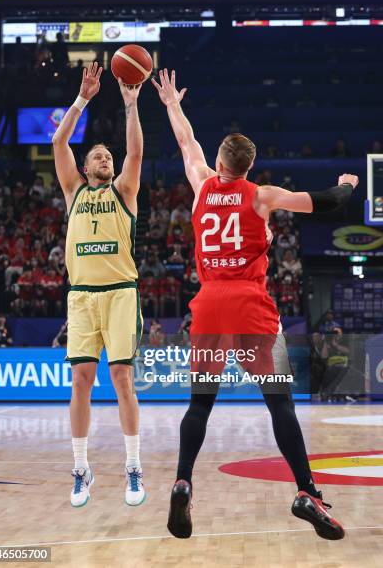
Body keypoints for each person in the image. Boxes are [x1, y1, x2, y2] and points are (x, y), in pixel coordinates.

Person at [152, 68, 359, 541]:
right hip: (251, 307)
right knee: (279, 404)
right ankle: (306, 490)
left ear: (220, 163)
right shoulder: (262, 196)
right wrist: (347, 183)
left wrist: (171, 103)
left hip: (207, 307)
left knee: (199, 406)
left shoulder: (203, 185)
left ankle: (183, 480)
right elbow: (324, 202)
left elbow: (187, 144)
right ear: (249, 167)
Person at [52, 62, 145, 508]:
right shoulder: (74, 192)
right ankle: (81, 469)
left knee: (123, 379)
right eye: (98, 156)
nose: (105, 159)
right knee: (81, 382)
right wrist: (83, 98)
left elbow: (136, 155)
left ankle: (132, 467)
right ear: (86, 167)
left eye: (109, 156)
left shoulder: (124, 192)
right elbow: (58, 140)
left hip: (121, 293)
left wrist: (130, 106)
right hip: (82, 297)